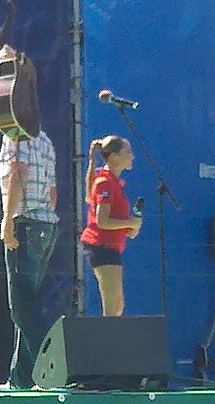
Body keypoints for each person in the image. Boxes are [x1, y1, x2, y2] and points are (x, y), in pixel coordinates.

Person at [0, 131, 59, 389]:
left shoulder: (16, 136)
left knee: (22, 308)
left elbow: (17, 173)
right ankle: (21, 379)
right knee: (31, 304)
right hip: (47, 225)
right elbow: (53, 193)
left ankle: (56, 368)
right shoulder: (45, 139)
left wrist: (8, 218)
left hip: (26, 223)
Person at [79, 135, 142, 317]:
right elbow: (102, 221)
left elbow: (112, 221)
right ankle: (104, 344)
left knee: (117, 306)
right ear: (114, 156)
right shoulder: (105, 182)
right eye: (127, 152)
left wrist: (130, 228)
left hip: (110, 248)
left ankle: (109, 343)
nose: (132, 156)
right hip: (101, 247)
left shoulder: (113, 182)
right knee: (112, 308)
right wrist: (130, 222)